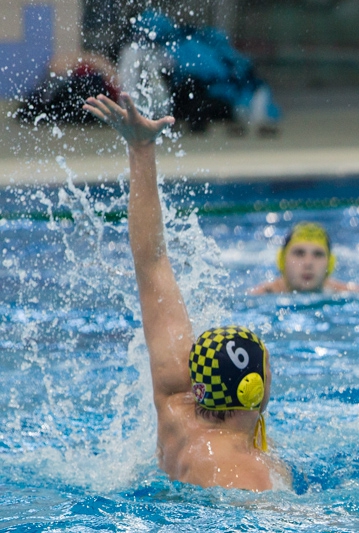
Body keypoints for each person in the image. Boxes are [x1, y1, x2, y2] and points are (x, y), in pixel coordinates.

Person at [83, 93, 287, 491]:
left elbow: (152, 263)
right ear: (253, 390)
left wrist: (141, 149)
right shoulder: (245, 472)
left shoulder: (177, 399)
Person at [249, 222, 358, 294]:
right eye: (299, 253)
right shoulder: (260, 294)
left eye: (318, 254)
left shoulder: (347, 293)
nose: (308, 263)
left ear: (330, 264)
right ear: (281, 260)